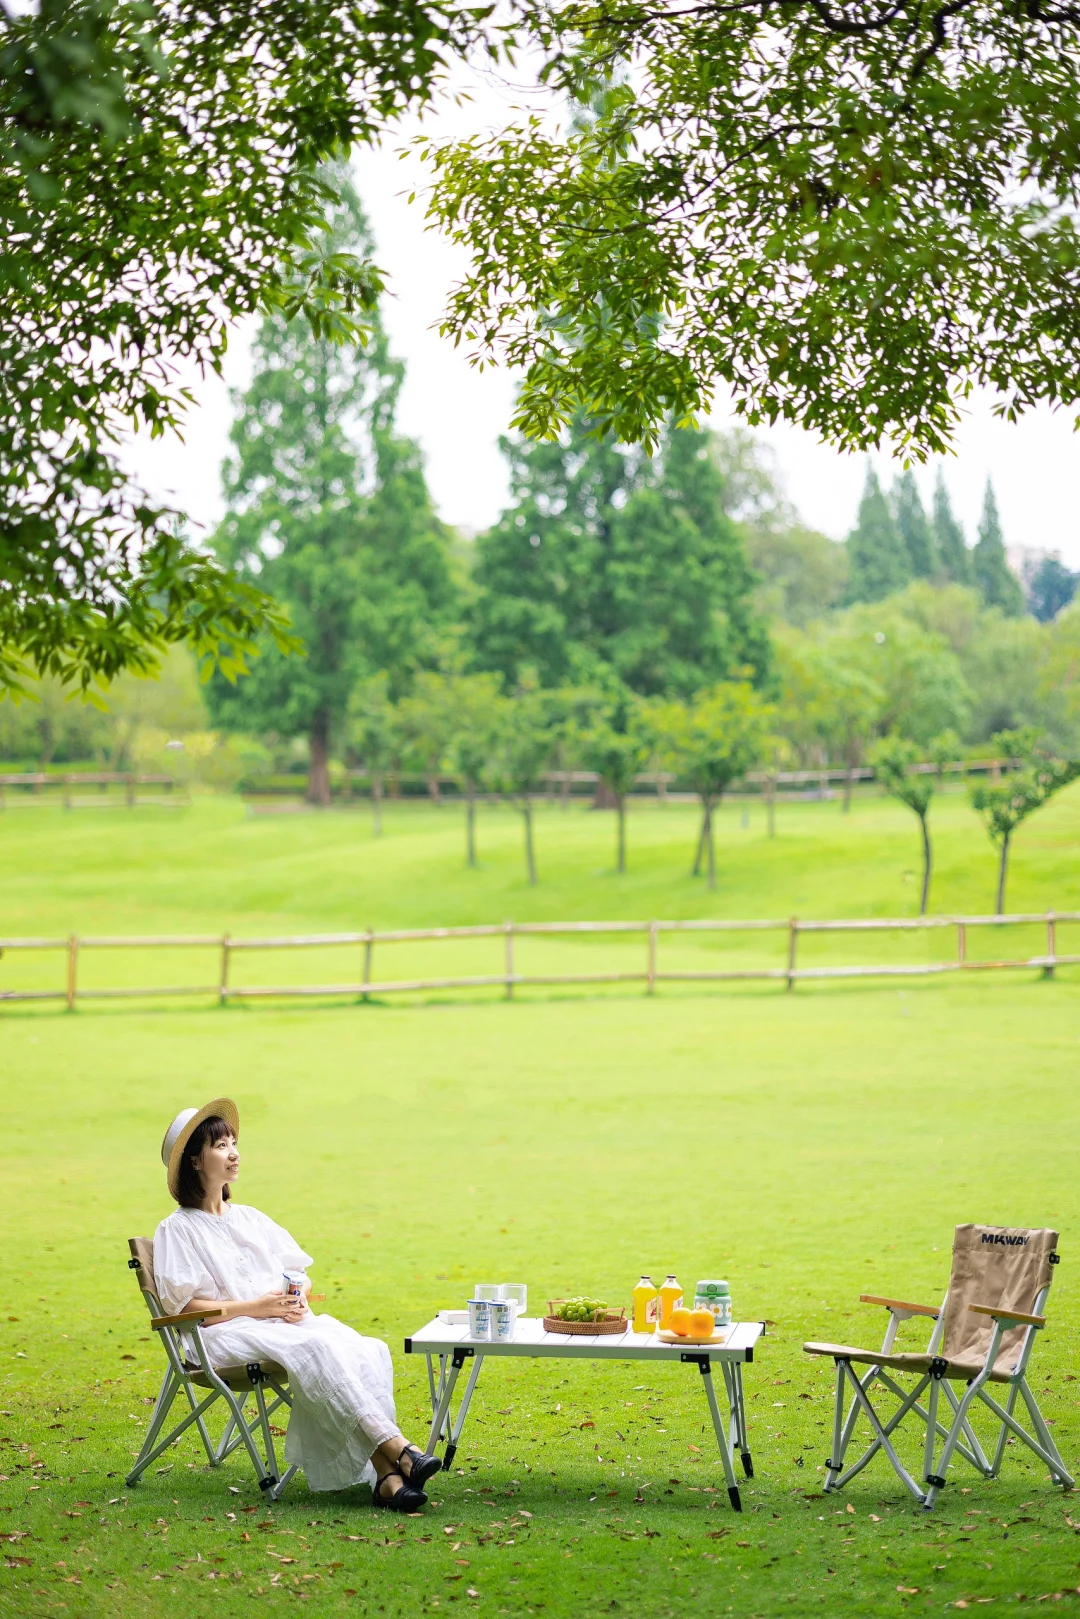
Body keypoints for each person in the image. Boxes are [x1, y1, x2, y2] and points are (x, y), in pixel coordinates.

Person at [153, 1098, 437, 1511]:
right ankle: (397, 1448)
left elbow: (298, 1271)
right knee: (316, 1350)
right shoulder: (176, 1229)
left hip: (280, 1325)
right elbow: (182, 1309)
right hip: (218, 1336)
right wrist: (256, 1307)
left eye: (234, 1142)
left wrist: (295, 1297)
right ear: (195, 1161)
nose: (234, 1153)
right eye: (220, 1146)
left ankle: (389, 1476)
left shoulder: (250, 1218)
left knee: (366, 1347)